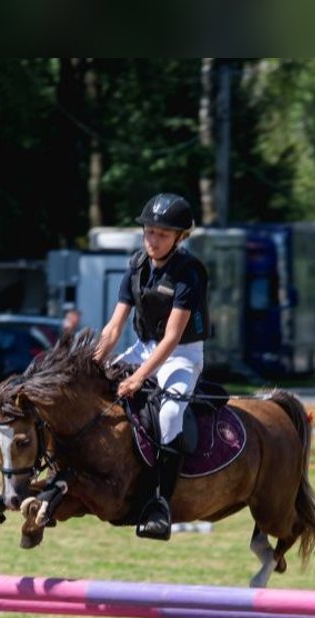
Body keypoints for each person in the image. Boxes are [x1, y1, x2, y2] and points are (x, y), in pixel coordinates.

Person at [93, 192, 209, 540]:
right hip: (144, 349)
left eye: (161, 234)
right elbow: (114, 326)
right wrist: (95, 361)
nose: (152, 240)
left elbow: (173, 338)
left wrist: (139, 378)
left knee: (170, 413)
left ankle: (160, 502)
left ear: (179, 237)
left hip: (182, 356)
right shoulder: (136, 266)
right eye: (149, 232)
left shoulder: (189, 272)